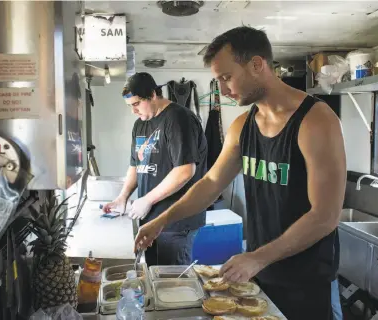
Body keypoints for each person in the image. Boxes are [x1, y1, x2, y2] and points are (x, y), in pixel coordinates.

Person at [134, 27, 346, 320]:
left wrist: (257, 257)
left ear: (257, 65)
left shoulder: (316, 121)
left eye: (226, 77)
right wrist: (161, 220)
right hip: (259, 276)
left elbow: (325, 215)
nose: (222, 89)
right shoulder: (242, 127)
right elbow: (210, 182)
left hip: (306, 281)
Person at [103, 72, 208, 266]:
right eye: (129, 106)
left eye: (136, 104)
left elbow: (185, 170)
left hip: (175, 221)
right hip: (151, 219)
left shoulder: (178, 119)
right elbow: (135, 165)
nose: (133, 111)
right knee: (153, 276)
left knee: (172, 284)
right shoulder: (140, 125)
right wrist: (122, 197)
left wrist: (147, 199)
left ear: (152, 95)